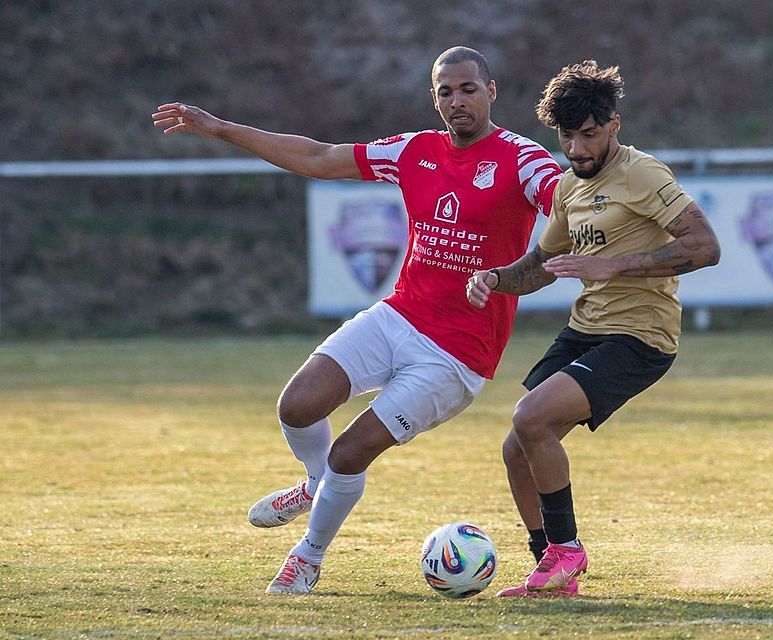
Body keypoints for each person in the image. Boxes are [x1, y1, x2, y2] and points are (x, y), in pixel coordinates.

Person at [152, 46, 563, 595]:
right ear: (433, 98)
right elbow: (320, 158)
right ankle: (316, 483)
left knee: (350, 451)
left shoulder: (522, 157)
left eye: (468, 88)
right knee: (297, 406)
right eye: (445, 91)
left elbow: (569, 203)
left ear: (492, 91)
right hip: (398, 316)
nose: (457, 100)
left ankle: (308, 556)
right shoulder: (415, 150)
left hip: (457, 355)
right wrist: (220, 128)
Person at [466, 60, 721, 597]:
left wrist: (616, 264)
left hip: (640, 336)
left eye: (589, 135)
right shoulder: (567, 187)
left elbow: (704, 247)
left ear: (614, 126)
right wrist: (495, 277)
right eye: (567, 137)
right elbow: (542, 264)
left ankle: (568, 550)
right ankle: (550, 568)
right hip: (586, 330)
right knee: (517, 447)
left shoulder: (643, 174)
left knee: (530, 415)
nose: (578, 149)